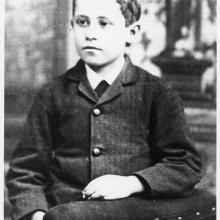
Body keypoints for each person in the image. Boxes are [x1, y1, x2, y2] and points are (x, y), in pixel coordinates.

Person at [6, 0, 215, 220]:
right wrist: (36, 215)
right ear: (72, 26)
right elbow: (26, 172)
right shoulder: (52, 94)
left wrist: (132, 183)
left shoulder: (158, 93)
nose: (90, 34)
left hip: (132, 213)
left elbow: (184, 164)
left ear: (131, 32)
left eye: (104, 23)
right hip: (64, 212)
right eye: (82, 22)